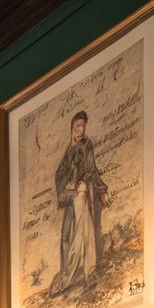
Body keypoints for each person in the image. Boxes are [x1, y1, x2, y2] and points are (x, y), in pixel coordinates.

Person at [48, 110, 110, 296]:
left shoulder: (87, 144)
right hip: (73, 198)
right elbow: (59, 174)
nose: (80, 130)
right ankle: (71, 274)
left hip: (84, 195)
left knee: (86, 231)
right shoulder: (68, 150)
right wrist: (69, 183)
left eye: (83, 126)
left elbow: (92, 169)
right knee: (70, 236)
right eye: (77, 126)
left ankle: (88, 271)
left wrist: (97, 188)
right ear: (72, 128)